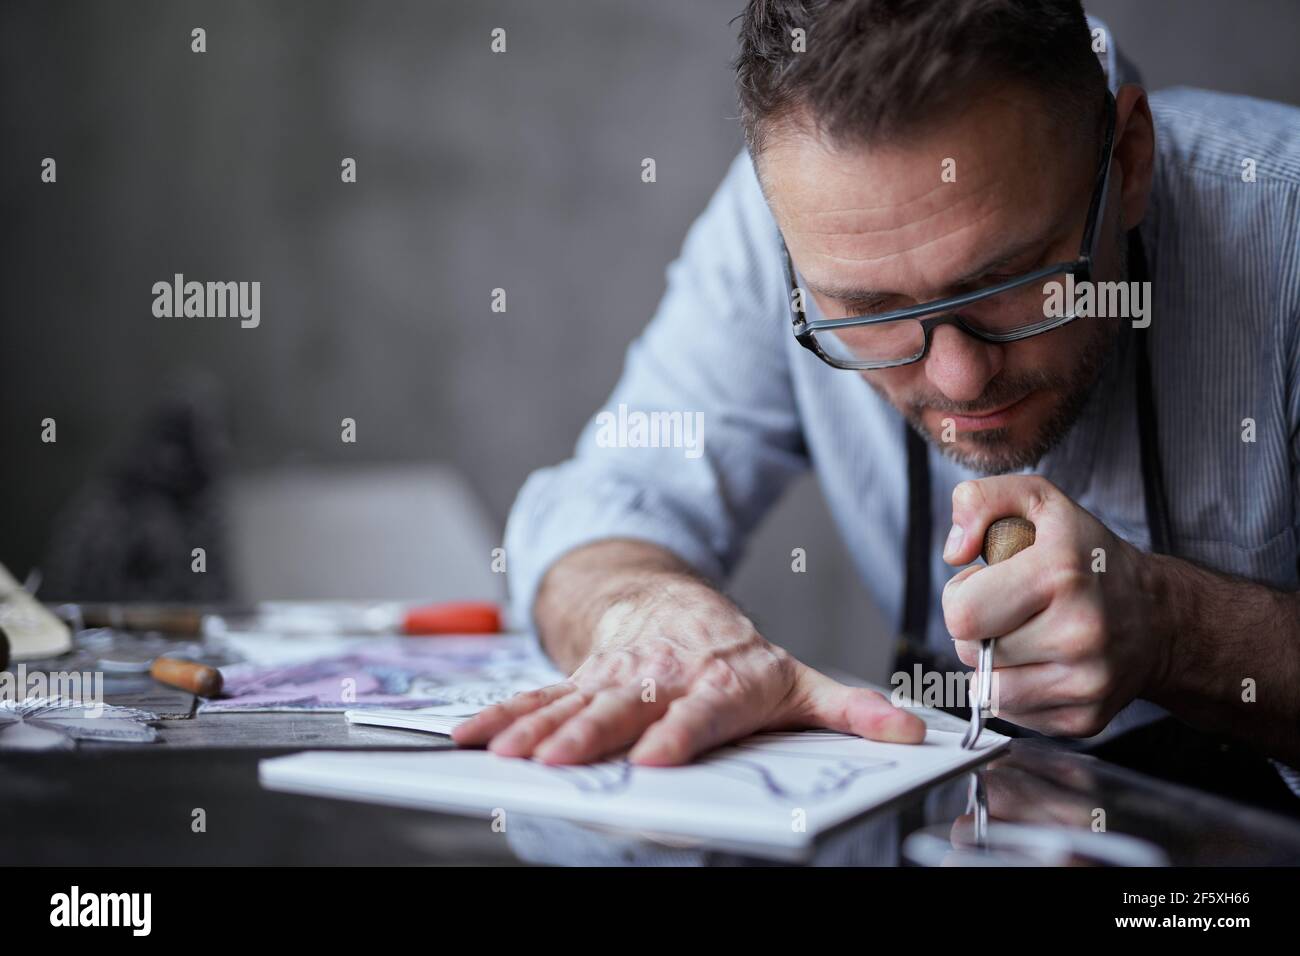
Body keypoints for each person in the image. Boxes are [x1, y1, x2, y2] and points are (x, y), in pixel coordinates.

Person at [454, 1, 1300, 799]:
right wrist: (651, 615)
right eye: (870, 311)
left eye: (1010, 283)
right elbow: (603, 507)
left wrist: (1182, 630)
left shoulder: (1285, 225)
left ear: (1130, 160)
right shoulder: (794, 227)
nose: (959, 380)